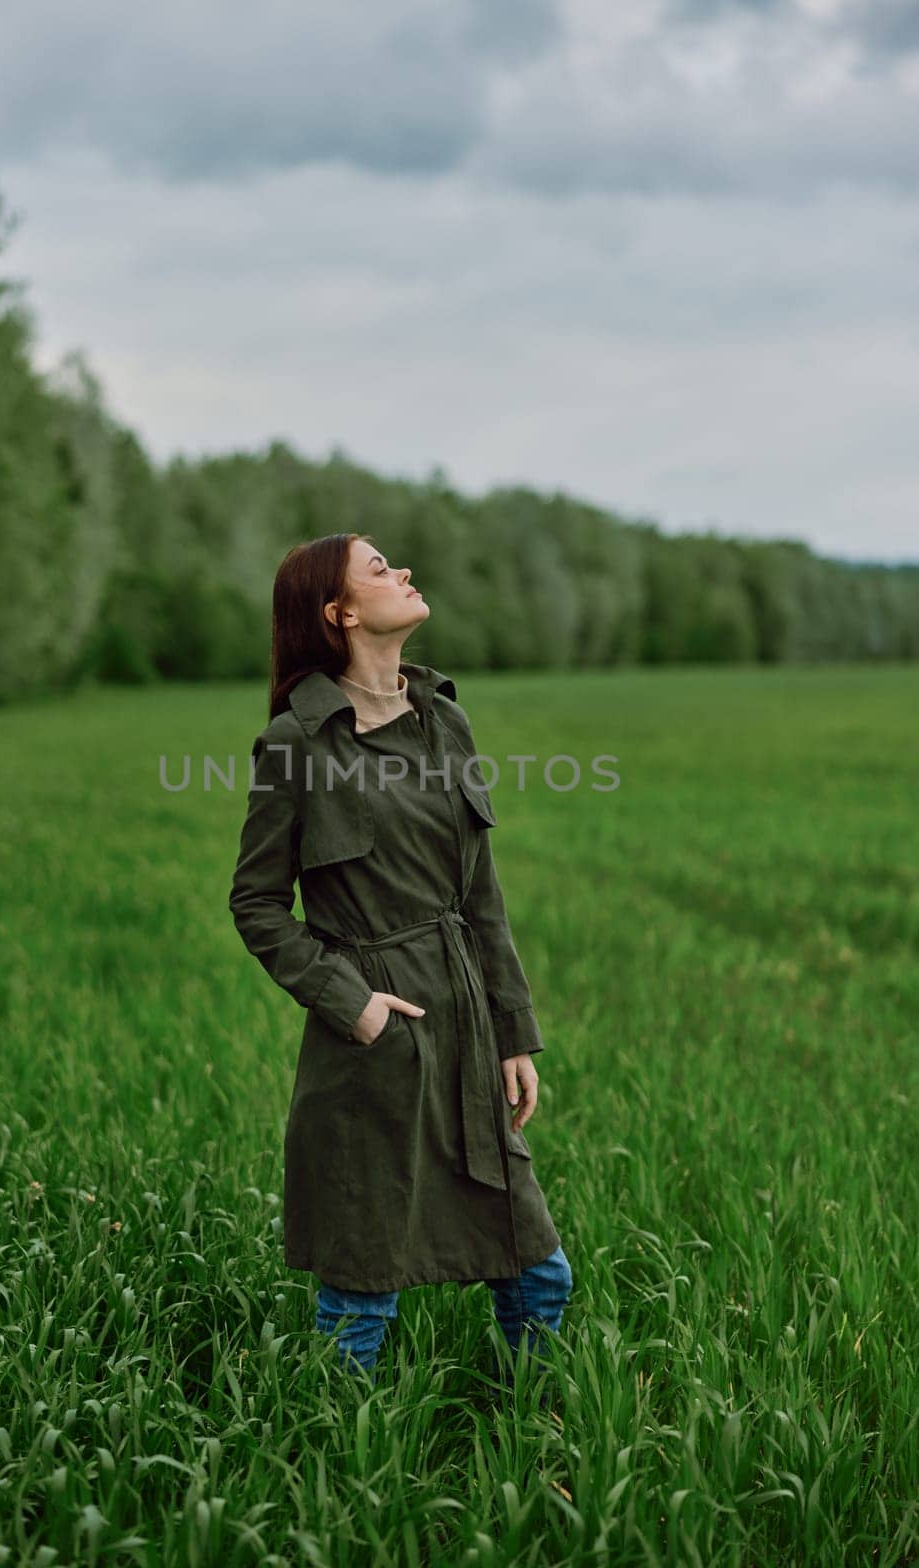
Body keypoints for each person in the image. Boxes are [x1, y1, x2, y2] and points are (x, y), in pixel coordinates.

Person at [228, 532, 573, 1387]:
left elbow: (479, 897)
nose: (404, 573)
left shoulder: (445, 719)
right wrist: (355, 1004)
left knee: (536, 1273)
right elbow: (258, 905)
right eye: (378, 569)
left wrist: (512, 1034)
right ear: (339, 613)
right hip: (377, 1044)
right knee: (361, 1299)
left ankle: (533, 1434)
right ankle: (341, 1472)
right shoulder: (296, 746)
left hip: (467, 1026)